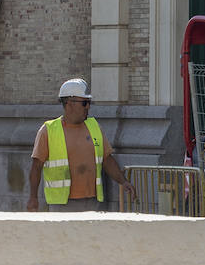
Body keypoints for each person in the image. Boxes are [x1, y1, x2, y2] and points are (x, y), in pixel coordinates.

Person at [27, 78, 136, 211]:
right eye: (84, 103)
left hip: (93, 202)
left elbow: (107, 159)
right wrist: (33, 197)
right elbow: (36, 166)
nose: (88, 107)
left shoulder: (94, 126)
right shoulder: (48, 130)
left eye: (89, 102)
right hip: (63, 204)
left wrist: (123, 181)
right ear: (69, 103)